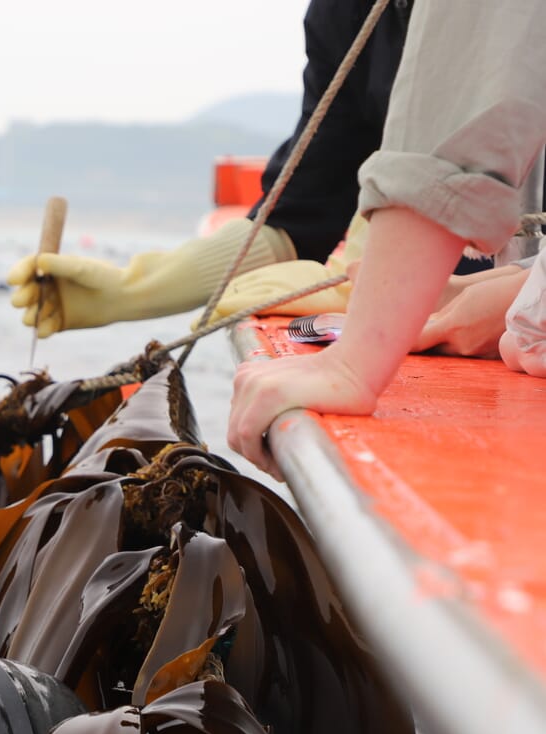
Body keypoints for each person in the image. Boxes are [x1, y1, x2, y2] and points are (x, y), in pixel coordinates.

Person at [228, 0, 546, 479]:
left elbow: (469, 95)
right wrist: (514, 284)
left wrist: (356, 363)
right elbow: (306, 196)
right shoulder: (344, 15)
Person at [8, 0, 418, 336]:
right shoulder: (345, 13)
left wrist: (386, 280)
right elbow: (302, 214)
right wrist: (130, 290)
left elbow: (447, 157)